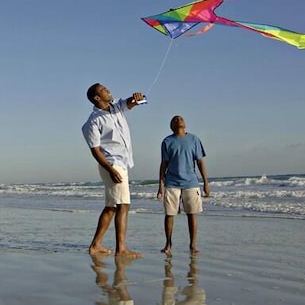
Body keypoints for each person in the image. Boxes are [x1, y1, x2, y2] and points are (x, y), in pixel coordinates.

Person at [82, 83, 144, 258]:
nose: (108, 90)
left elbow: (129, 103)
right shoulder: (93, 121)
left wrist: (135, 99)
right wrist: (110, 169)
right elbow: (95, 150)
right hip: (111, 164)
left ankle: (96, 245)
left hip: (122, 163)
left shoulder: (116, 106)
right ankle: (121, 249)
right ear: (97, 98)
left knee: (111, 207)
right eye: (103, 90)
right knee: (123, 204)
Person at [156, 116, 210, 255]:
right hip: (171, 182)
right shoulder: (167, 142)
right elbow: (164, 164)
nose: (179, 119)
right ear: (171, 125)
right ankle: (168, 244)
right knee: (169, 214)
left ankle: (192, 245)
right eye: (175, 119)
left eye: (181, 118)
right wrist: (160, 186)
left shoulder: (194, 139)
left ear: (185, 124)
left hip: (191, 182)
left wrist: (206, 183)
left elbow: (200, 162)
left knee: (192, 213)